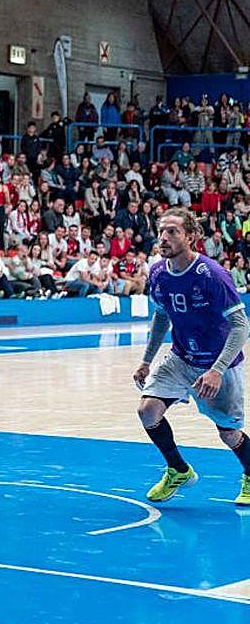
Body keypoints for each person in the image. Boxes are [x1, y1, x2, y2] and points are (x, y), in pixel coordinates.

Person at [134, 208, 250, 507]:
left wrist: (217, 370)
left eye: (172, 231)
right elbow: (162, 316)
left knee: (229, 433)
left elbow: (241, 325)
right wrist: (146, 361)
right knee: (147, 410)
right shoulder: (158, 272)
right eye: (161, 230)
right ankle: (178, 470)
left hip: (218, 364)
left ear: (192, 236)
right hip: (181, 358)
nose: (164, 237)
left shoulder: (212, 274)